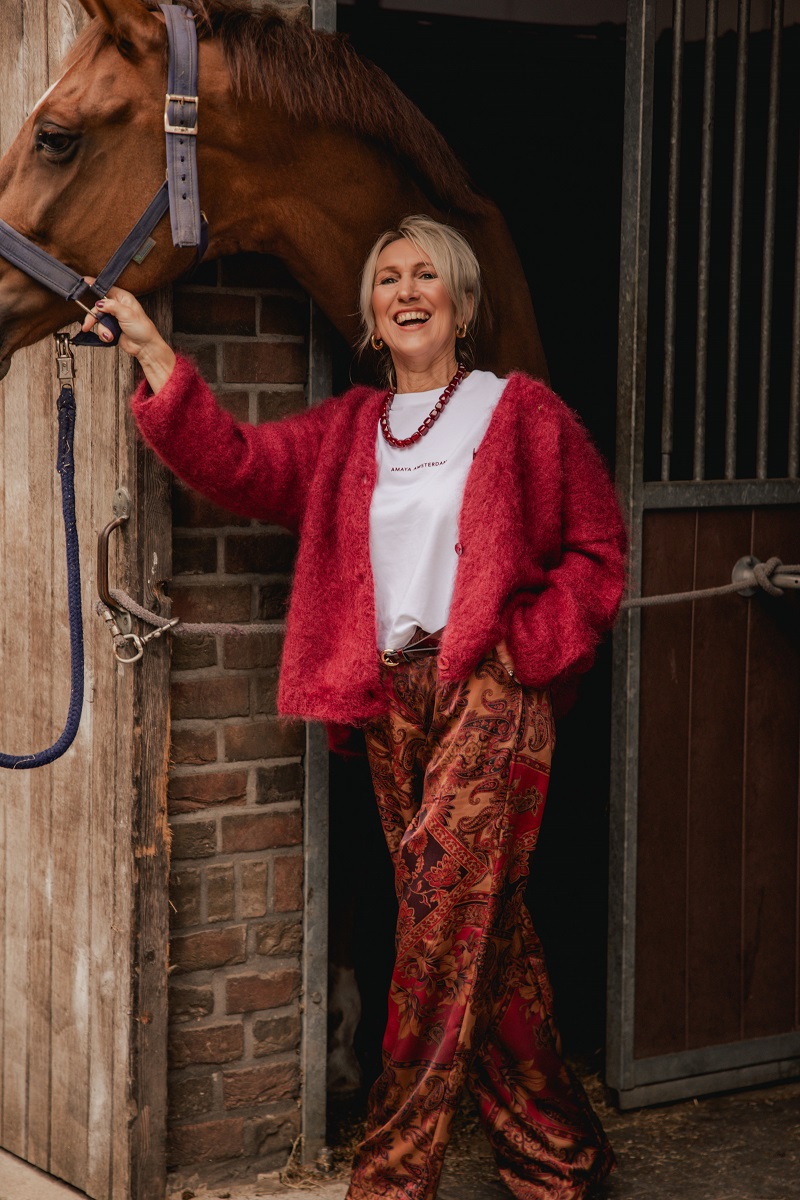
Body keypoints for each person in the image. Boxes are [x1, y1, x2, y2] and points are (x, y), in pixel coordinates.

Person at [83, 214, 626, 1200]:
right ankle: (561, 1157)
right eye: (387, 279)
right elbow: (239, 463)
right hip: (390, 704)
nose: (406, 292)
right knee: (479, 932)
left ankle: (390, 1176)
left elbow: (596, 551)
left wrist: (529, 647)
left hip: (487, 690)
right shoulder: (349, 430)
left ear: (462, 304)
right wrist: (156, 356)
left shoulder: (520, 414)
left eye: (426, 275)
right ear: (372, 315)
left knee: (435, 931)